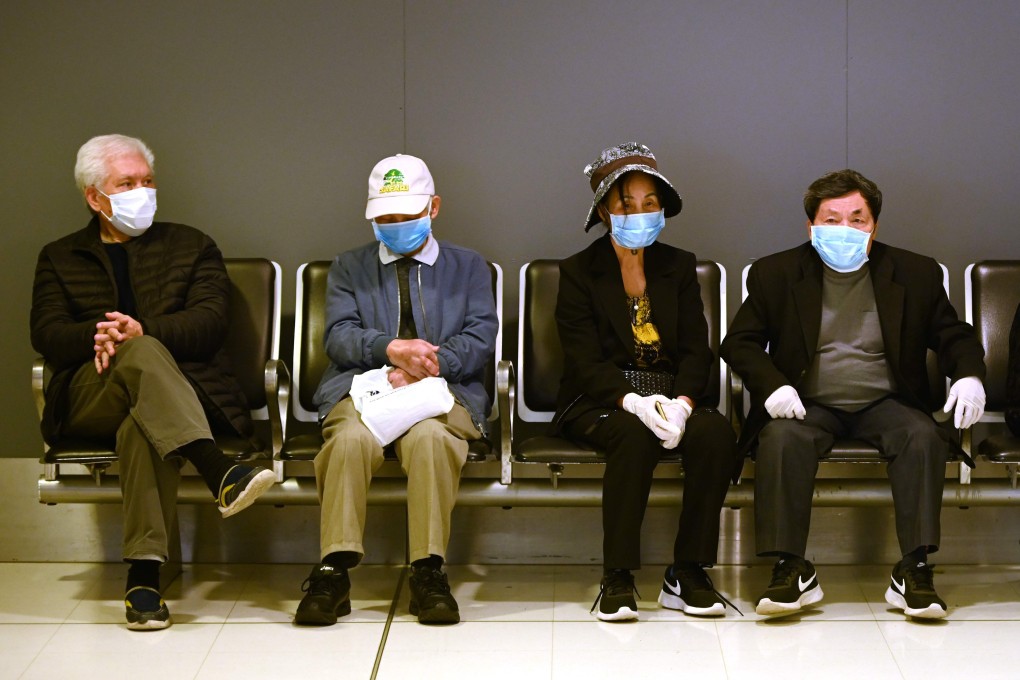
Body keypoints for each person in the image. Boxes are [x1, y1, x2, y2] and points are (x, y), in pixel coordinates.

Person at [30, 134, 276, 630]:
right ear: (94, 197)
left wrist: (142, 331)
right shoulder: (60, 256)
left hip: (184, 394)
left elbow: (210, 323)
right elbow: (47, 333)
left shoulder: (192, 245)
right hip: (90, 394)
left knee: (143, 422)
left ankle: (143, 579)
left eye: (147, 181)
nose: (141, 191)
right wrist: (100, 334)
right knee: (136, 352)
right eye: (126, 184)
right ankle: (216, 469)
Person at [721, 168, 986, 619]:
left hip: (888, 402)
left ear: (874, 226)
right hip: (807, 403)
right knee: (781, 438)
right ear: (811, 226)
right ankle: (790, 567)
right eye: (831, 219)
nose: (844, 229)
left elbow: (953, 335)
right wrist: (773, 385)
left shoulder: (915, 272)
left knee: (922, 435)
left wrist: (969, 376)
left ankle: (914, 568)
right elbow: (739, 343)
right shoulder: (775, 273)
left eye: (857, 219)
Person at [294, 154, 498, 626]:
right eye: (385, 219)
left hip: (445, 391)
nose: (396, 226)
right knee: (348, 441)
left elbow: (480, 336)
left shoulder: (468, 267)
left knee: (430, 440)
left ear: (433, 208)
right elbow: (338, 336)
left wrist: (429, 365)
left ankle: (427, 570)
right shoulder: (349, 266)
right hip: (363, 390)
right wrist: (390, 350)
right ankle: (334, 570)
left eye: (406, 216)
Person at [553, 142, 739, 621]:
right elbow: (583, 360)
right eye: (627, 204)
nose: (640, 213)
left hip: (671, 393)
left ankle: (688, 570)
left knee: (715, 433)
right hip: (600, 399)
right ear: (604, 212)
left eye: (649, 203)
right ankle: (617, 574)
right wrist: (633, 401)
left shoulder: (679, 265)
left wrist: (682, 403)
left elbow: (697, 348)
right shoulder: (578, 271)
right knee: (633, 434)